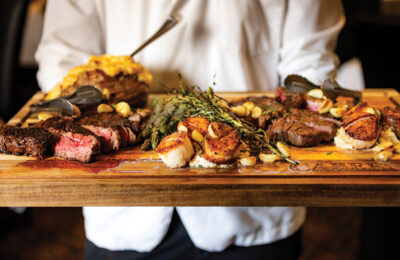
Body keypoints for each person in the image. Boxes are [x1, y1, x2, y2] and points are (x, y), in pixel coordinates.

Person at [35, 0, 345, 259]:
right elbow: (62, 53)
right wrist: (102, 89)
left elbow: (309, 62)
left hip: (254, 210)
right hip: (124, 207)